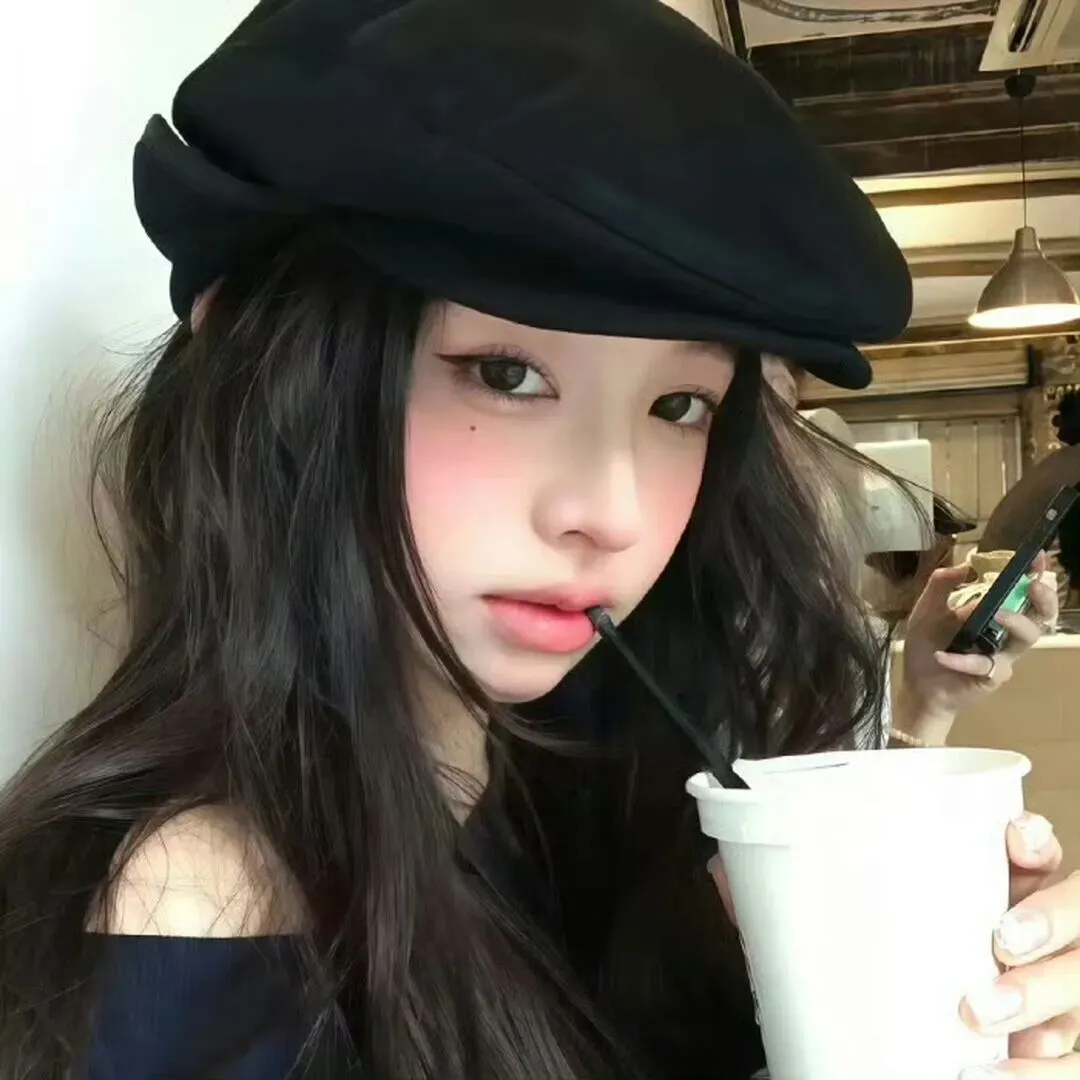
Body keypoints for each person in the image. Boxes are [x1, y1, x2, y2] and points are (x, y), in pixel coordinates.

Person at [0, 2, 1077, 1078]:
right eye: (507, 374)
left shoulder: (573, 769)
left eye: (680, 406)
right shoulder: (203, 922)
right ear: (267, 369)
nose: (613, 513)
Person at [762, 353, 1059, 749]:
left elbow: (863, 787)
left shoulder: (845, 633)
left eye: (780, 401)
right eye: (694, 404)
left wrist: (927, 704)